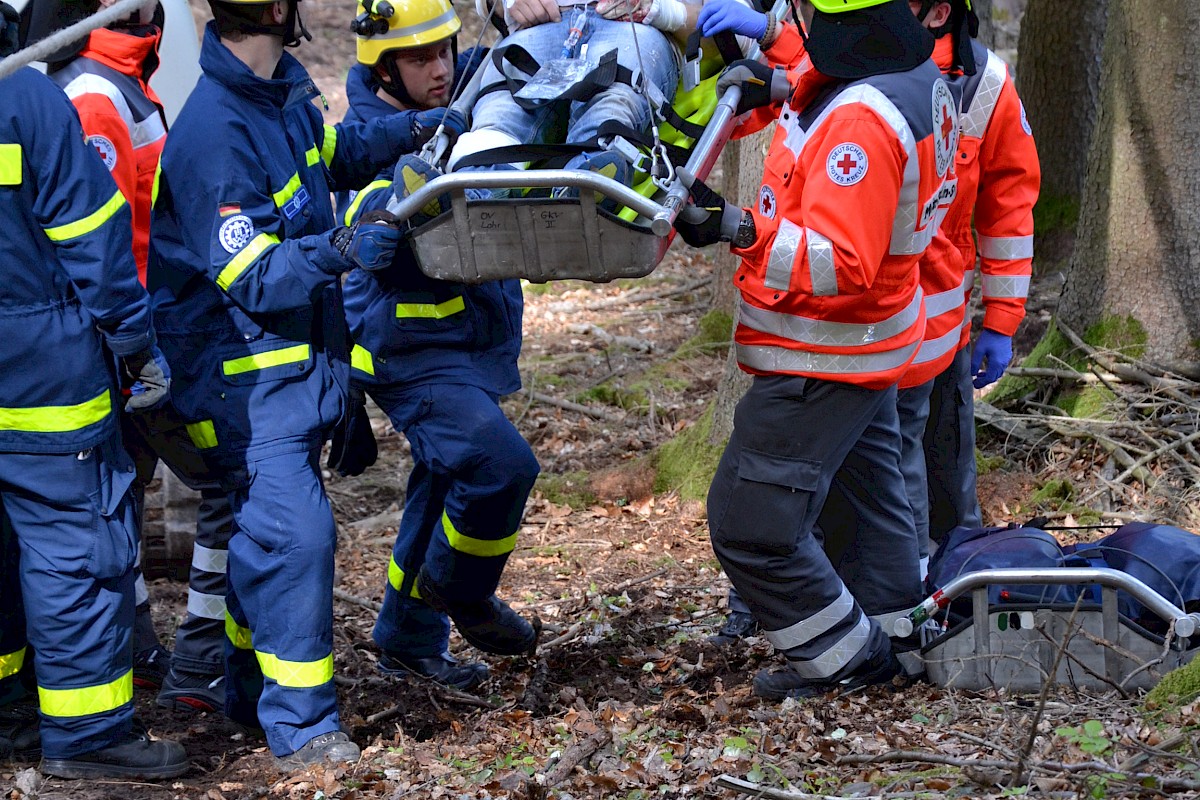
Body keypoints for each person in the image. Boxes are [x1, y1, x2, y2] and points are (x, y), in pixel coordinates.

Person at [147, 0, 442, 767]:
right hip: (236, 381)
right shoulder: (216, 129)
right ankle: (303, 729)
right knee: (294, 536)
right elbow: (255, 274)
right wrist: (342, 249)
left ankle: (244, 693)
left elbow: (332, 154)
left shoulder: (278, 95)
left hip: (285, 371)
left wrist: (416, 130)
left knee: (263, 537)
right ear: (276, 9)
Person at [674, 0, 956, 699]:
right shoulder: (914, 70)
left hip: (824, 356)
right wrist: (778, 83)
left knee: (750, 525)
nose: (796, 25)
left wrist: (738, 229)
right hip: (874, 345)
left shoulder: (863, 118)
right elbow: (835, 87)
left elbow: (843, 263)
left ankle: (849, 665)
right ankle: (899, 640)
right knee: (868, 504)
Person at [0, 6, 188, 776]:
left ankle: (12, 714)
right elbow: (95, 238)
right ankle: (90, 736)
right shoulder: (26, 100)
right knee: (72, 545)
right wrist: (135, 344)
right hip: (42, 368)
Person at [338, 0, 540, 691]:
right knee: (499, 465)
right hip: (411, 350)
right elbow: (366, 239)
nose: (440, 68)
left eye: (445, 50)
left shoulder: (462, 95)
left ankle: (407, 637)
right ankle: (465, 593)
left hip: (460, 341)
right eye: (420, 58)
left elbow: (504, 61)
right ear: (383, 69)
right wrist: (398, 199)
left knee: (444, 481)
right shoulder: (369, 138)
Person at [38, 0, 232, 708]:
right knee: (223, 484)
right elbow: (100, 248)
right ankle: (191, 658)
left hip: (151, 334)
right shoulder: (95, 92)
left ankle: (149, 651)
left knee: (122, 502)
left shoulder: (130, 76)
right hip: (132, 347)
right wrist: (134, 348)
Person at [912, 0, 1039, 555]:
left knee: (944, 470)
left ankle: (957, 585)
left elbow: (1008, 208)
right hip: (856, 323)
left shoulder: (985, 83)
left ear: (941, 10)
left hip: (942, 324)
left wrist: (1004, 320)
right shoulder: (846, 56)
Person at [389, 0, 704, 216]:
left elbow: (734, 27)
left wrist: (661, 10)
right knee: (502, 106)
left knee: (614, 99)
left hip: (636, 28)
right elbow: (490, 6)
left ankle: (588, 180)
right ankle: (465, 194)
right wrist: (507, 4)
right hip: (541, 26)